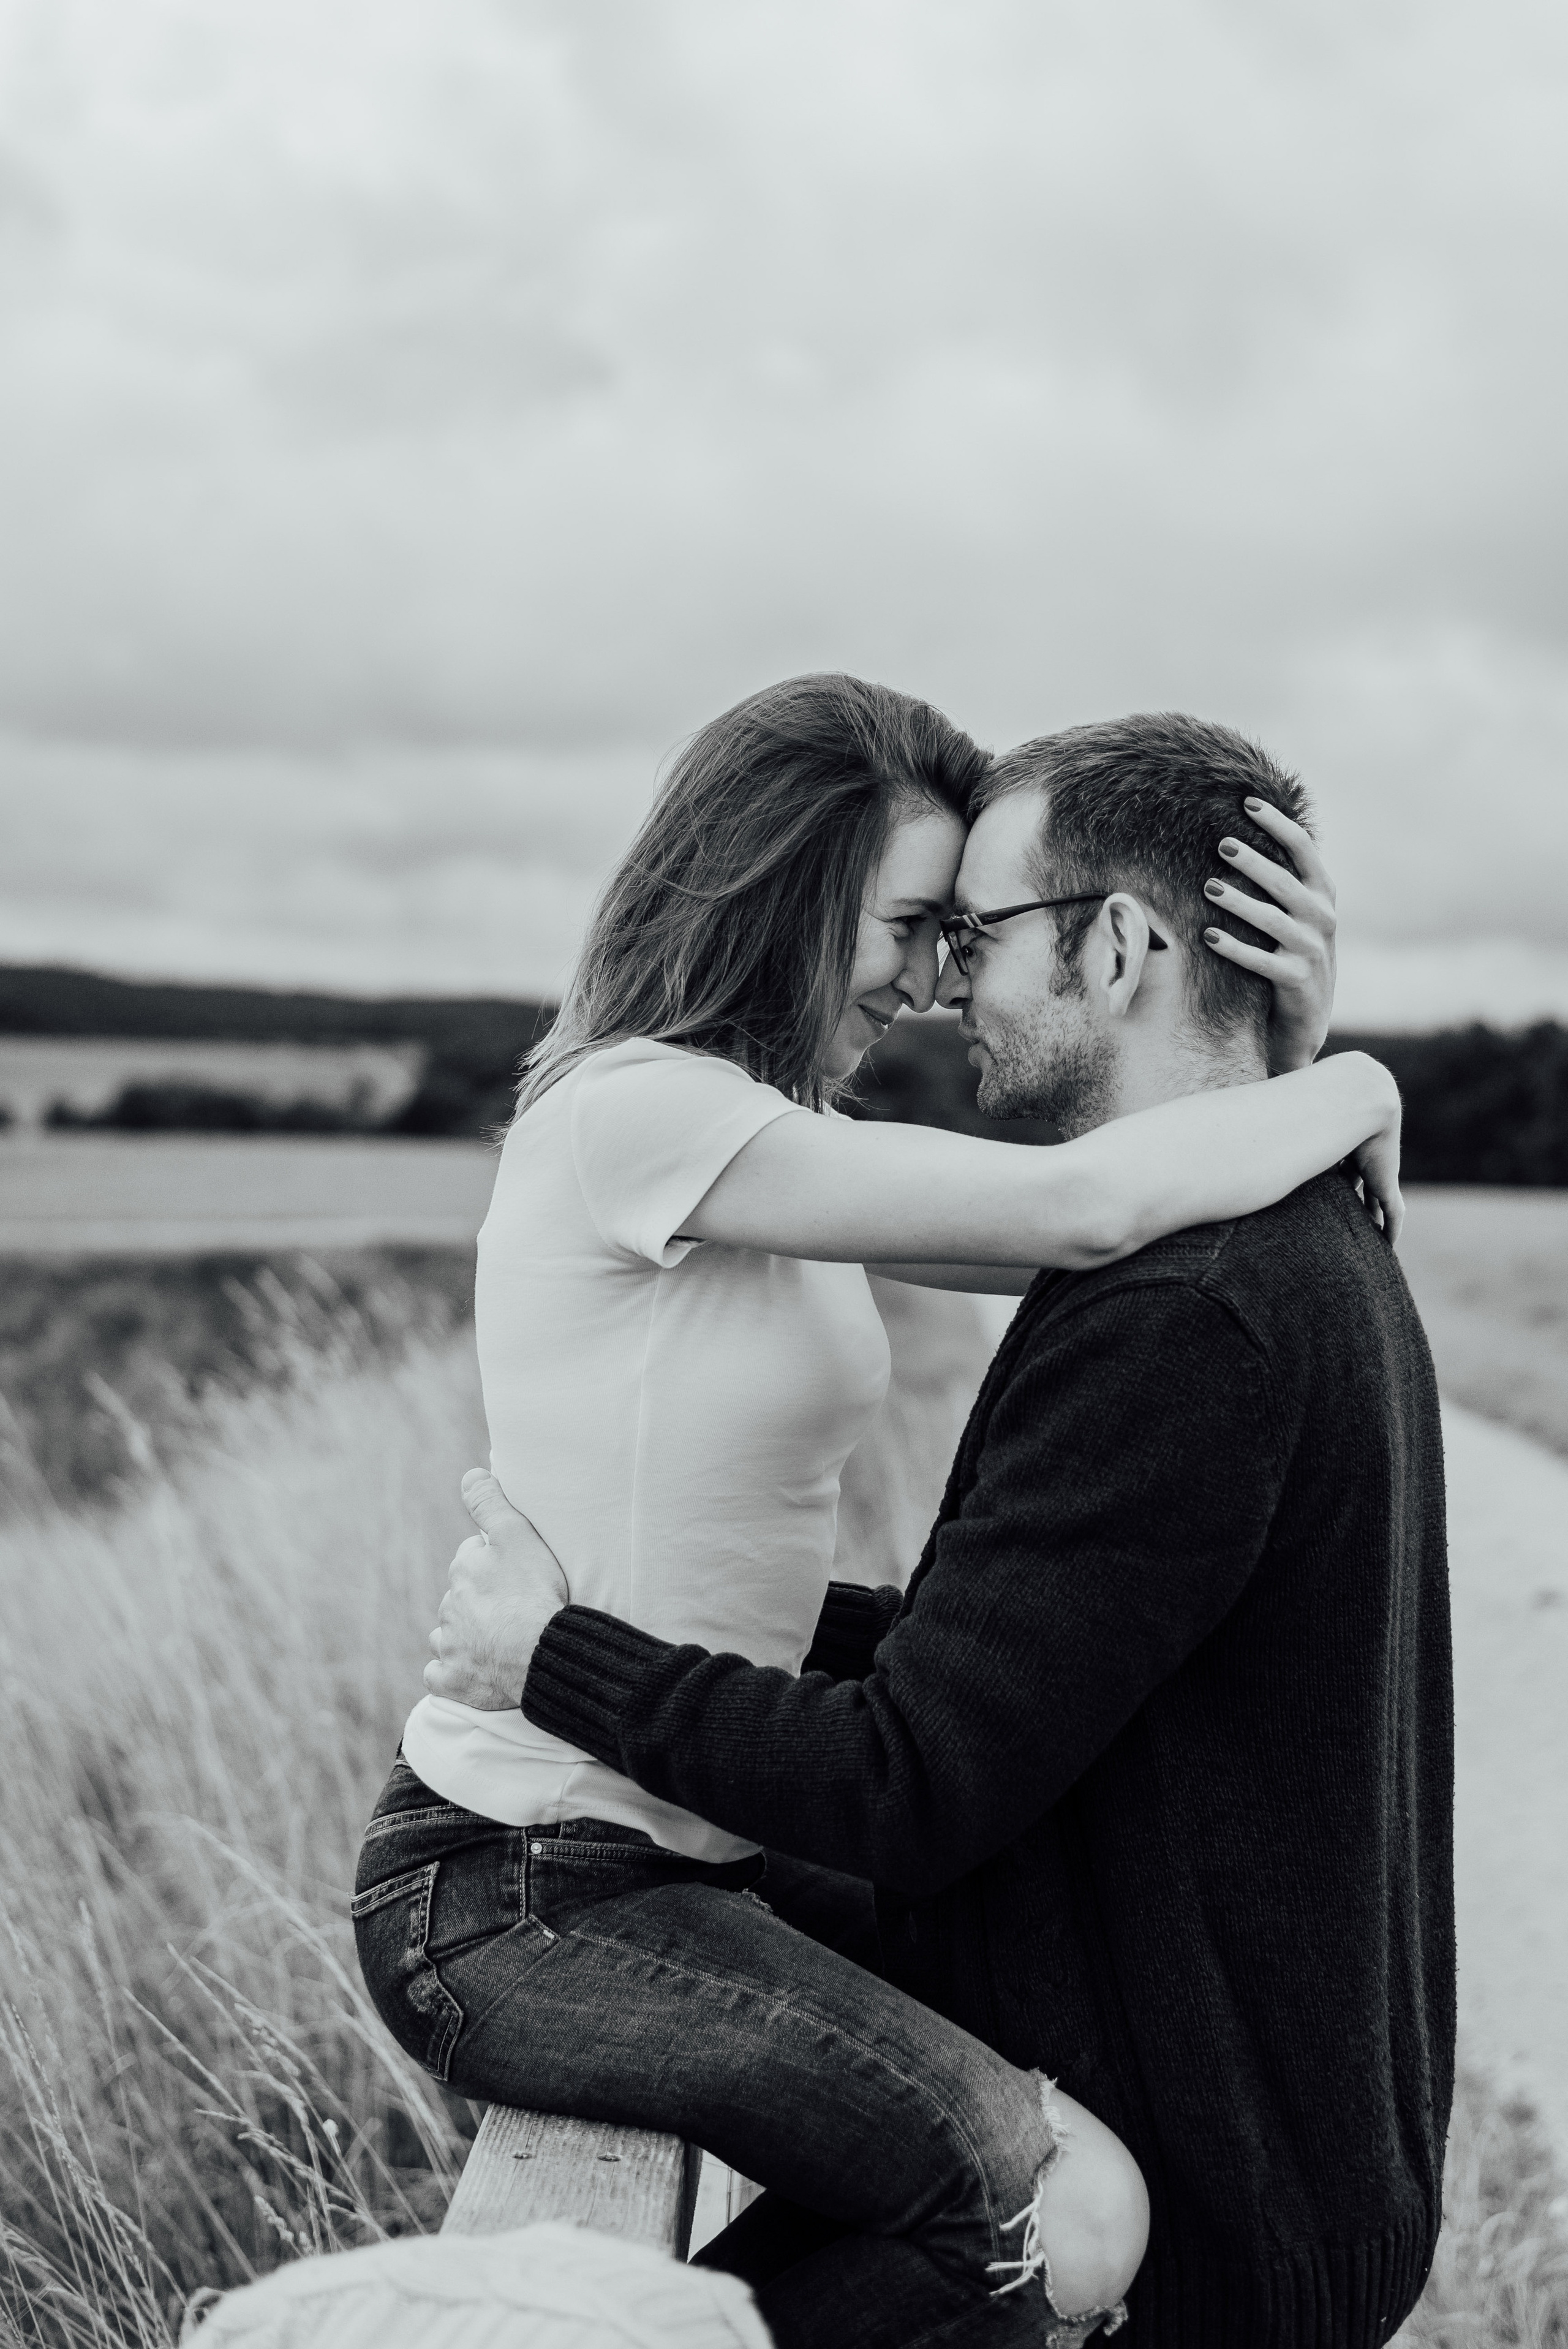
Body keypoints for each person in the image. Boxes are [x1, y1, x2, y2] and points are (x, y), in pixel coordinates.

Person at [356, 680, 1408, 2349]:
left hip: (681, 1852)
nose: (931, 976)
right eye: (913, 922)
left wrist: (1260, 1049)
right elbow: (1085, 1205)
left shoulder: (787, 1148)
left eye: (957, 929)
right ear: (788, 883)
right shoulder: (639, 1112)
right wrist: (1347, 1083)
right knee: (1052, 2203)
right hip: (523, 1880)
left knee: (1044, 2179)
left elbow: (1122, 1231)